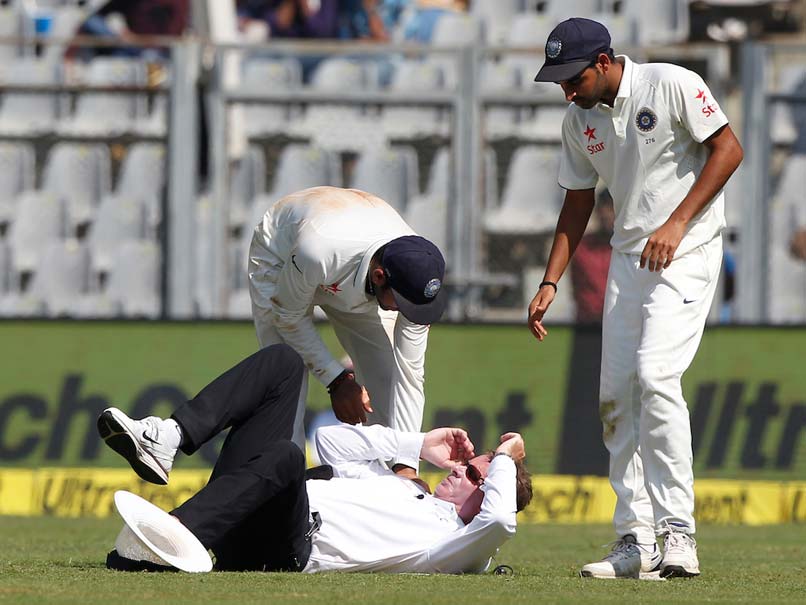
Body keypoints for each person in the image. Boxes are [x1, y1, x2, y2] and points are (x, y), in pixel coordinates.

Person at [527, 18, 743, 579]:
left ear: (603, 62)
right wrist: (550, 281)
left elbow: (728, 149)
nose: (566, 92)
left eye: (573, 79)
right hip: (630, 259)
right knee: (616, 397)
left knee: (655, 376)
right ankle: (636, 539)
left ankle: (678, 534)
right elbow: (578, 202)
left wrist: (676, 223)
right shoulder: (578, 119)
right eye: (559, 82)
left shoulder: (670, 83)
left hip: (687, 250)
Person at [98, 343, 532, 573]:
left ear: (490, 489)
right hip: (256, 512)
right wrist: (416, 445)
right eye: (468, 465)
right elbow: (330, 441)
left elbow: (498, 521)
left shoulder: (458, 545)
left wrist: (505, 457)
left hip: (285, 549)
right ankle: (170, 437)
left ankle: (173, 533)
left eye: (473, 473)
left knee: (287, 457)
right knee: (283, 363)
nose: (459, 469)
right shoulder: (406, 489)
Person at [247, 186, 447, 481]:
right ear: (380, 277)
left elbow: (410, 375)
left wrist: (406, 466)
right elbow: (287, 316)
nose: (407, 312)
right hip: (282, 253)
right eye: (402, 304)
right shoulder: (318, 251)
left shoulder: (414, 279)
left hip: (349, 273)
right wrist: (337, 380)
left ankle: (387, 490)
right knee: (286, 381)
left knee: (386, 380)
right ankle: (286, 490)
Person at [569, 190, 614, 323]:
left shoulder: (629, 249)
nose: (606, 214)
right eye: (603, 208)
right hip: (588, 323)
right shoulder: (583, 247)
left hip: (619, 320)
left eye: (611, 208)